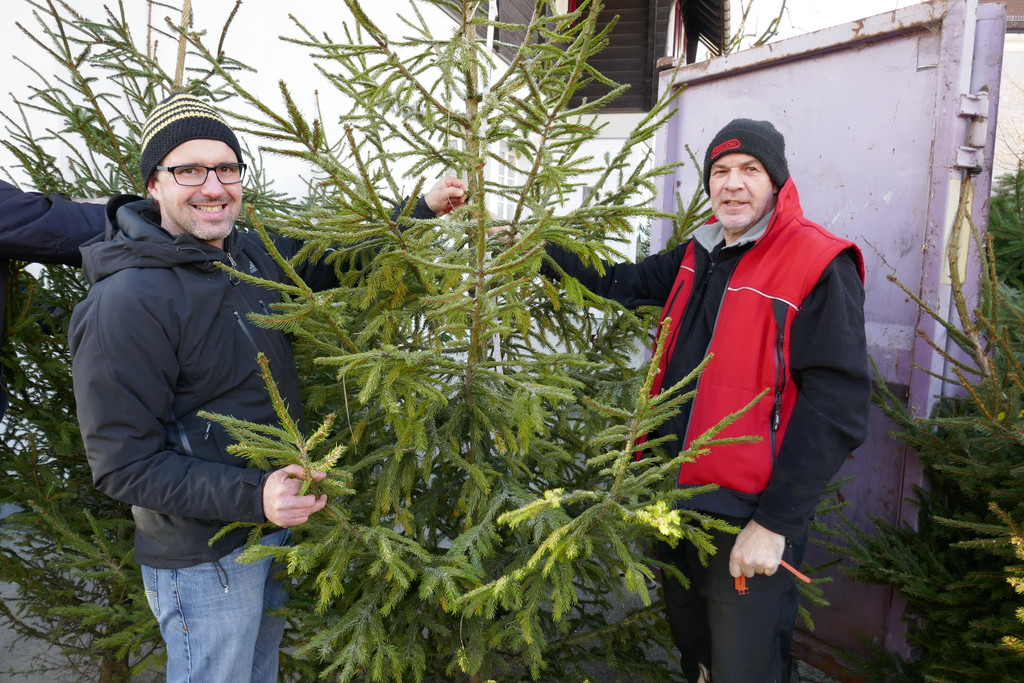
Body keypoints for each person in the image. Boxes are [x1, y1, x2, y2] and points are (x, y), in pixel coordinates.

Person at [3, 91, 466, 682]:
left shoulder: (247, 254)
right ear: (153, 184)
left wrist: (418, 211)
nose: (214, 186)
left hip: (269, 527)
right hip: (203, 559)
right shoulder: (126, 301)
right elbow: (122, 465)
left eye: (226, 168)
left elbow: (332, 260)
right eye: (189, 169)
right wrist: (254, 497)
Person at [538, 119, 870, 682]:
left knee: (746, 668)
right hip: (674, 501)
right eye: (720, 171)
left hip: (747, 516)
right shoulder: (699, 253)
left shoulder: (816, 263)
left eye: (749, 170)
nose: (732, 184)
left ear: (777, 181)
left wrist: (775, 522)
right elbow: (619, 281)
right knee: (697, 653)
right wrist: (533, 248)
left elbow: (836, 408)